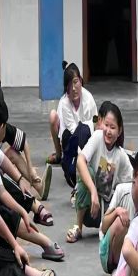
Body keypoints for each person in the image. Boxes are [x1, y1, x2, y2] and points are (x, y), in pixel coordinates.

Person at [0, 98, 65, 261]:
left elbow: (1, 190)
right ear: (2, 127)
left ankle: (36, 224)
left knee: (6, 205)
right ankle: (44, 242)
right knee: (3, 216)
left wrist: (22, 211)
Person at [67, 102, 132, 243]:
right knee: (88, 171)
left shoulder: (121, 156)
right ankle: (78, 227)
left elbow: (132, 183)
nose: (108, 131)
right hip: (89, 207)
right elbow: (80, 160)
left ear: (119, 131)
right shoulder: (97, 137)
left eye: (113, 127)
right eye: (106, 125)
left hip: (106, 212)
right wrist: (93, 192)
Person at [98, 148, 138, 276]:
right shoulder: (122, 191)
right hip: (109, 254)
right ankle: (118, 271)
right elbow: (104, 227)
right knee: (121, 221)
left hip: (135, 254)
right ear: (134, 175)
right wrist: (116, 212)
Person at [49, 62, 98, 190]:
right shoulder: (64, 103)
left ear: (81, 81)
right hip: (71, 139)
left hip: (86, 138)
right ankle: (60, 156)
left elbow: (95, 121)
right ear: (66, 88)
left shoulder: (89, 98)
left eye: (76, 82)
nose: (74, 89)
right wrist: (81, 160)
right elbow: (73, 132)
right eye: (70, 85)